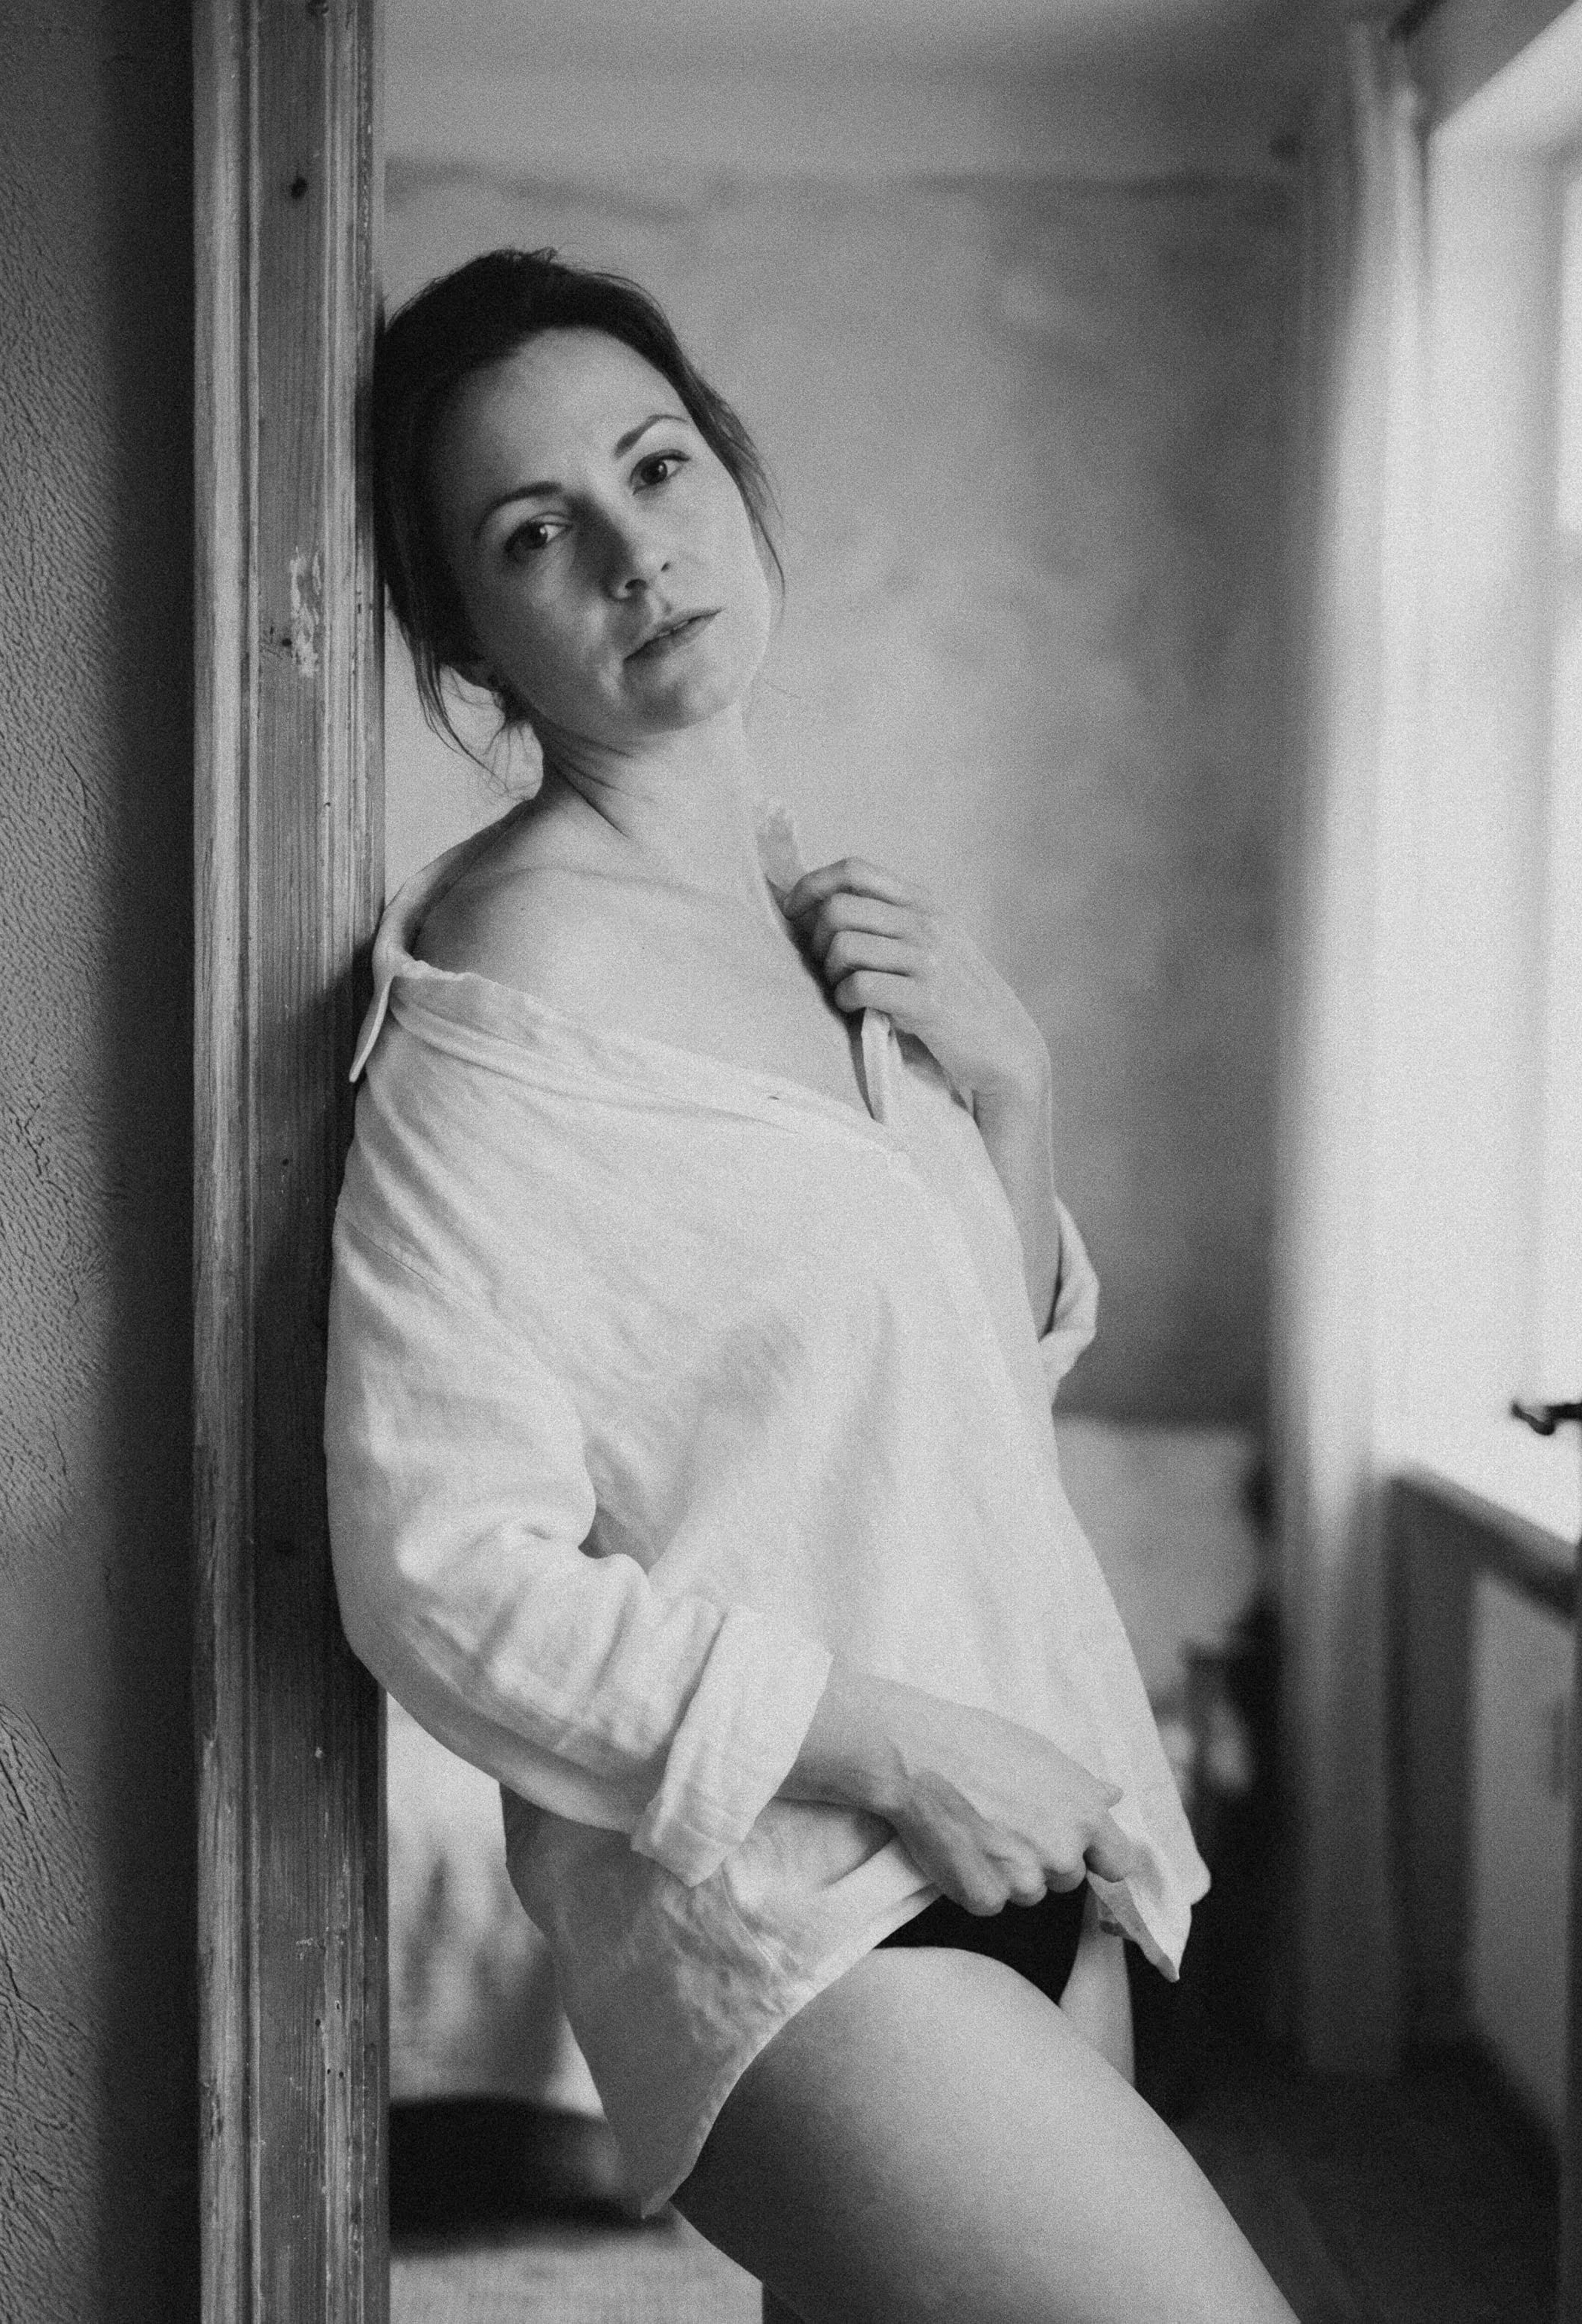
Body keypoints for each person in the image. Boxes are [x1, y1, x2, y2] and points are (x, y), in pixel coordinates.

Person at [327, 246, 1297, 2324]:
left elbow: (949, 1408)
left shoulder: (822, 919)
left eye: (654, 468)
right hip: (801, 1904)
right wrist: (894, 1745)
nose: (626, 550)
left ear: (734, 481)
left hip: (1033, 1846)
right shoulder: (501, 1002)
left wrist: (1010, 1095)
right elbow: (435, 1567)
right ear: (462, 640)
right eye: (530, 534)